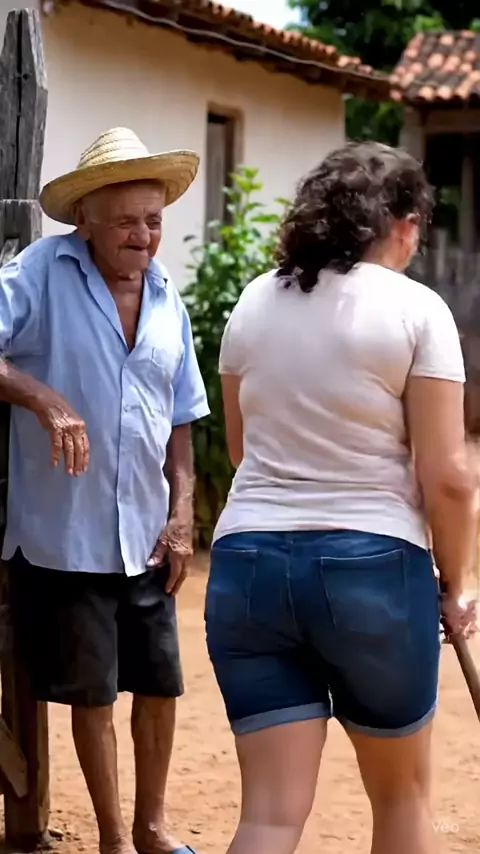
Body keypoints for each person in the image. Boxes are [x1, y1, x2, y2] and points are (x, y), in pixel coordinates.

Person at [205, 141, 478, 854]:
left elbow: (241, 450)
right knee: (402, 799)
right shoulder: (417, 309)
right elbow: (447, 475)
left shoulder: (254, 300)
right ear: (405, 225)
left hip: (248, 564)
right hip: (371, 567)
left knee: (268, 816)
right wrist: (459, 583)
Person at [0, 127, 208, 854]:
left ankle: (152, 829)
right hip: (67, 533)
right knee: (91, 693)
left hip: (146, 534)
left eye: (153, 220)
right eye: (125, 222)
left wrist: (182, 514)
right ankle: (115, 840)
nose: (143, 236)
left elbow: (181, 416)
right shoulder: (40, 272)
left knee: (160, 685)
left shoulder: (166, 295)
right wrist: (43, 398)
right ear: (84, 217)